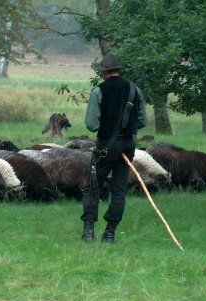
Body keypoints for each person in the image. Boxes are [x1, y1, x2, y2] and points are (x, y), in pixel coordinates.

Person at [81, 53, 146, 243]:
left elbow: (92, 124)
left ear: (105, 72)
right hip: (127, 146)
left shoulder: (98, 91)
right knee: (119, 190)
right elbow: (141, 121)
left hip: (105, 146)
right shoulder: (135, 90)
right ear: (117, 70)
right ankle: (109, 233)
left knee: (92, 187)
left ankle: (88, 231)